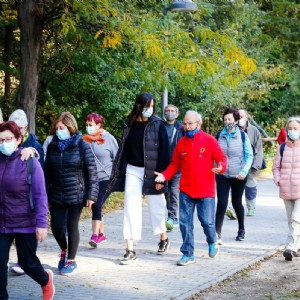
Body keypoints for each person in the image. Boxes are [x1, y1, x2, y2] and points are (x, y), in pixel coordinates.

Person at [154, 110, 227, 266]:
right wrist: (164, 176)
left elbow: (221, 158)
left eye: (190, 124)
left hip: (205, 191)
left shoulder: (209, 140)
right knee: (184, 223)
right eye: (185, 124)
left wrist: (221, 168)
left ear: (198, 124)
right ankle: (188, 253)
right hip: (186, 190)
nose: (186, 127)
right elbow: (174, 165)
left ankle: (212, 240)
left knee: (207, 222)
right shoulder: (181, 143)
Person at [108, 92, 170, 265]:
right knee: (130, 208)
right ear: (139, 106)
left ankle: (163, 238)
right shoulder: (129, 124)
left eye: (152, 106)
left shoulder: (158, 124)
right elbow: (124, 149)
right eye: (147, 105)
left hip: (153, 172)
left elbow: (165, 152)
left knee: (156, 207)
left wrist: (162, 175)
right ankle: (130, 248)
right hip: (133, 170)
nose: (150, 109)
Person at [0, 121, 54, 300]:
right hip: (2, 223)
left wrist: (41, 224)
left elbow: (40, 195)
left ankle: (45, 280)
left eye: (8, 139)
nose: (4, 143)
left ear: (18, 139)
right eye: (0, 140)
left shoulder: (30, 162)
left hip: (25, 222)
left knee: (27, 262)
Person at [44, 112, 98, 275]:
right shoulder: (52, 145)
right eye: (57, 128)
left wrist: (91, 195)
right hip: (56, 193)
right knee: (56, 226)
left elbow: (92, 171)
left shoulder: (82, 145)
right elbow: (46, 172)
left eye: (62, 127)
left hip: (76, 193)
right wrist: (45, 195)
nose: (59, 131)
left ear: (70, 127)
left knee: (71, 225)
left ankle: (71, 260)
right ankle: (64, 249)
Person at [8, 109, 45, 275]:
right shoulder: (6, 143)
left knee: (27, 253)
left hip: (28, 201)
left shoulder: (34, 145)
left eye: (19, 128)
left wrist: (33, 152)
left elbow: (39, 174)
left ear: (25, 128)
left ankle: (26, 263)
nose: (16, 130)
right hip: (9, 205)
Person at [215, 108, 253, 244]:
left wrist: (244, 172)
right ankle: (217, 233)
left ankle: (241, 229)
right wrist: (216, 168)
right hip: (222, 174)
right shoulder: (219, 135)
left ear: (236, 121)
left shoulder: (243, 136)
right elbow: (214, 154)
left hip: (238, 175)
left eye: (230, 119)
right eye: (225, 119)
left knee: (236, 203)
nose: (227, 122)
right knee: (222, 203)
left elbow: (249, 156)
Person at [83, 112, 118, 247]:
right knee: (96, 206)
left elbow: (118, 157)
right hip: (92, 179)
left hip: (106, 178)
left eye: (90, 125)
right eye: (86, 125)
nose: (88, 127)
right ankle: (102, 234)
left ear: (99, 125)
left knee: (97, 204)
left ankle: (94, 235)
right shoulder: (86, 139)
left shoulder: (109, 138)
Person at [226, 109, 263, 218]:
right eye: (238, 116)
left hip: (250, 165)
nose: (241, 118)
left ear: (247, 117)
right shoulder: (232, 129)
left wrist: (256, 165)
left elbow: (258, 149)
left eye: (242, 116)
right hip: (236, 165)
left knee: (250, 187)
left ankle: (251, 207)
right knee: (236, 188)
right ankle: (233, 209)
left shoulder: (254, 130)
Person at [272, 116, 300, 261]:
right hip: (286, 189)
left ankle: (290, 247)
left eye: (295, 129)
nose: (292, 131)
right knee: (291, 220)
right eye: (290, 129)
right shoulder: (282, 148)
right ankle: (298, 246)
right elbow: (276, 167)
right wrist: (278, 179)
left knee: (296, 219)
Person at [163, 104, 184, 231]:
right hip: (163, 167)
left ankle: (172, 217)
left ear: (176, 114)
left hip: (177, 167)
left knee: (174, 191)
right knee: (166, 192)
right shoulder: (160, 127)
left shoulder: (181, 128)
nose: (170, 113)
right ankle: (171, 213)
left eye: (172, 111)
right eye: (167, 111)